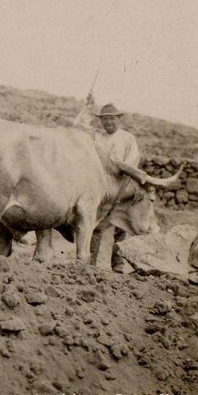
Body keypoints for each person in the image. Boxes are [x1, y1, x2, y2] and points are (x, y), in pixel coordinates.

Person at [74, 94, 142, 273]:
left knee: (120, 229)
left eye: (111, 119)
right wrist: (87, 106)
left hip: (120, 188)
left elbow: (131, 164)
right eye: (104, 120)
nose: (108, 123)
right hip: (99, 189)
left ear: (118, 119)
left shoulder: (128, 139)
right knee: (95, 225)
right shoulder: (96, 136)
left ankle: (118, 266)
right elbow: (78, 126)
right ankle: (91, 264)